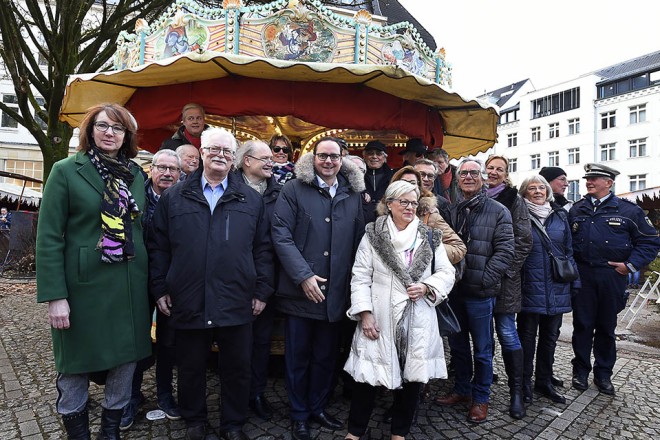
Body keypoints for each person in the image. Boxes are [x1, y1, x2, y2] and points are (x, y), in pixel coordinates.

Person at [148, 127, 274, 440]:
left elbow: (263, 249)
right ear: (201, 152)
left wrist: (261, 291)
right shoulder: (175, 197)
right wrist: (160, 287)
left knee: (236, 367)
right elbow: (159, 246)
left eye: (226, 151)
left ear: (235, 159)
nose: (219, 155)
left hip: (237, 296)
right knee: (190, 366)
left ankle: (232, 425)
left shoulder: (250, 200)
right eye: (213, 149)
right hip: (187, 295)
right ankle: (194, 422)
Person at [36, 103, 151, 439]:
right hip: (82, 286)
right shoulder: (66, 170)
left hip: (129, 284)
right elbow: (49, 237)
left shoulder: (136, 175)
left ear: (127, 136)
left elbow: (141, 229)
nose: (110, 133)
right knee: (75, 362)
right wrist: (55, 296)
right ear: (89, 130)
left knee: (125, 360)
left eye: (118, 128)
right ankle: (78, 432)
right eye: (103, 126)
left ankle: (111, 431)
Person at [343, 180, 456, 440]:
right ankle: (354, 432)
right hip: (379, 314)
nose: (409, 207)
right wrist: (365, 313)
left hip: (418, 315)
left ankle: (399, 434)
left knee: (413, 379)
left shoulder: (429, 235)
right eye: (403, 202)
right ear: (389, 204)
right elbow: (360, 275)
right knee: (367, 376)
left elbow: (446, 272)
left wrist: (427, 287)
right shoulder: (373, 234)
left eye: (413, 202)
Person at [271, 137, 365, 440]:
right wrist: (303, 276)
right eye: (322, 156)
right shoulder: (294, 189)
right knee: (297, 357)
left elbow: (359, 241)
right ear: (313, 158)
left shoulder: (352, 193)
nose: (328, 161)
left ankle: (318, 407)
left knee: (326, 357)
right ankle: (299, 414)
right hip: (301, 292)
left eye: (333, 156)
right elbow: (281, 234)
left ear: (342, 159)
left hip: (336, 294)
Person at [569, 163, 660, 396]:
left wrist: (629, 266)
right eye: (587, 178)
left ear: (608, 183)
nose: (589, 181)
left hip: (612, 276)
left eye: (595, 178)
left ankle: (603, 374)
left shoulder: (629, 211)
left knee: (606, 328)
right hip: (583, 276)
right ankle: (580, 371)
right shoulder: (577, 209)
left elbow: (650, 241)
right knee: (582, 326)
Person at [435, 159, 514, 424]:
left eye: (474, 173)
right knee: (458, 346)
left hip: (480, 292)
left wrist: (485, 279)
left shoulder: (498, 210)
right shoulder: (453, 210)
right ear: (458, 179)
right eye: (464, 173)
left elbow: (506, 251)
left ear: (482, 177)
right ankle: (462, 389)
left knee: (482, 348)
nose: (468, 177)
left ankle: (481, 398)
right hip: (455, 291)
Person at [121, 149, 182, 430]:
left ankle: (165, 394)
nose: (167, 173)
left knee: (168, 342)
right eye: (162, 167)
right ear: (151, 170)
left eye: (173, 169)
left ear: (180, 174)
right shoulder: (135, 195)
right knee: (134, 340)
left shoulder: (182, 199)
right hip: (134, 279)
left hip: (170, 282)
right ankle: (131, 396)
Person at [517, 175, 578, 406]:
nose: (537, 191)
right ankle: (523, 384)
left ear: (547, 191)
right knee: (527, 338)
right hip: (529, 286)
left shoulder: (560, 215)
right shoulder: (519, 216)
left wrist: (575, 282)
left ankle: (544, 381)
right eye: (531, 188)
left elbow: (569, 251)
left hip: (557, 286)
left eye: (541, 187)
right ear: (524, 193)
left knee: (550, 338)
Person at [234, 140, 282, 421]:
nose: (270, 163)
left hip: (266, 277)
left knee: (261, 342)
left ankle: (256, 393)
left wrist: (264, 289)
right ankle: (236, 396)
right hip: (234, 280)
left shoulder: (279, 192)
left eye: (271, 159)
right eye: (264, 158)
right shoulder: (229, 188)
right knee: (235, 344)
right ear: (246, 161)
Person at [484, 155, 532, 419]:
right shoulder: (476, 195)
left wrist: (504, 271)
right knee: (482, 335)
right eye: (490, 168)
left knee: (506, 331)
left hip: (504, 281)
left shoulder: (515, 199)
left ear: (506, 174)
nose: (493, 172)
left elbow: (524, 241)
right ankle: (483, 381)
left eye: (498, 169)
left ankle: (517, 390)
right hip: (479, 279)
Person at [388, 166, 466, 265]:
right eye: (403, 182)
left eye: (412, 183)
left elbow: (459, 248)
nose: (407, 187)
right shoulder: (384, 216)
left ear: (419, 188)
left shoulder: (430, 216)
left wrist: (426, 249)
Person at [362, 140, 393, 224]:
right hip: (362, 221)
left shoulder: (393, 177)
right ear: (364, 156)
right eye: (370, 153)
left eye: (378, 154)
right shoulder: (358, 176)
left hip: (386, 222)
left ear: (384, 158)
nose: (374, 156)